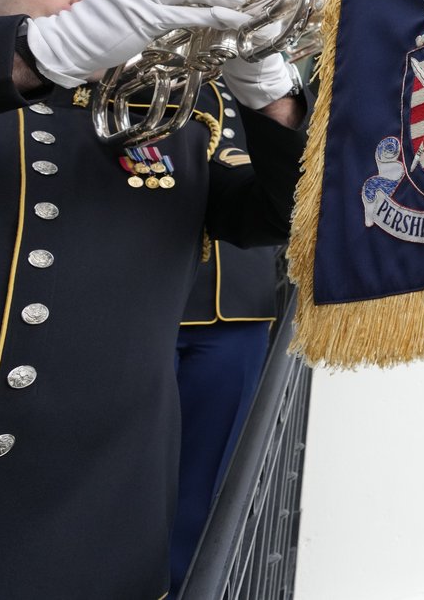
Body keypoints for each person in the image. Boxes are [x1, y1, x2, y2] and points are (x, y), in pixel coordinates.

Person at [0, 0, 305, 599]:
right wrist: (33, 55)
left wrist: (272, 96)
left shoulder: (164, 122)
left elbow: (280, 218)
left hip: (95, 529)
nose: (86, 3)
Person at [168, 78, 285, 590]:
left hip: (238, 309)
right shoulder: (145, 75)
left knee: (205, 482)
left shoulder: (265, 91)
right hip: (155, 302)